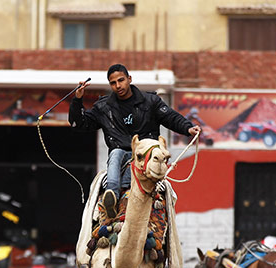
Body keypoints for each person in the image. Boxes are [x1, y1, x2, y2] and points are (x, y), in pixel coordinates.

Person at [69, 63, 201, 218]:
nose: (118, 85)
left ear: (129, 79)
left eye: (121, 80)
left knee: (162, 194)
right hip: (120, 154)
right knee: (116, 153)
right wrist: (77, 100)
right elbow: (79, 124)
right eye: (113, 83)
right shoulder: (103, 107)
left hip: (146, 155)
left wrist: (188, 128)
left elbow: (170, 117)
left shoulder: (151, 101)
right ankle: (111, 196)